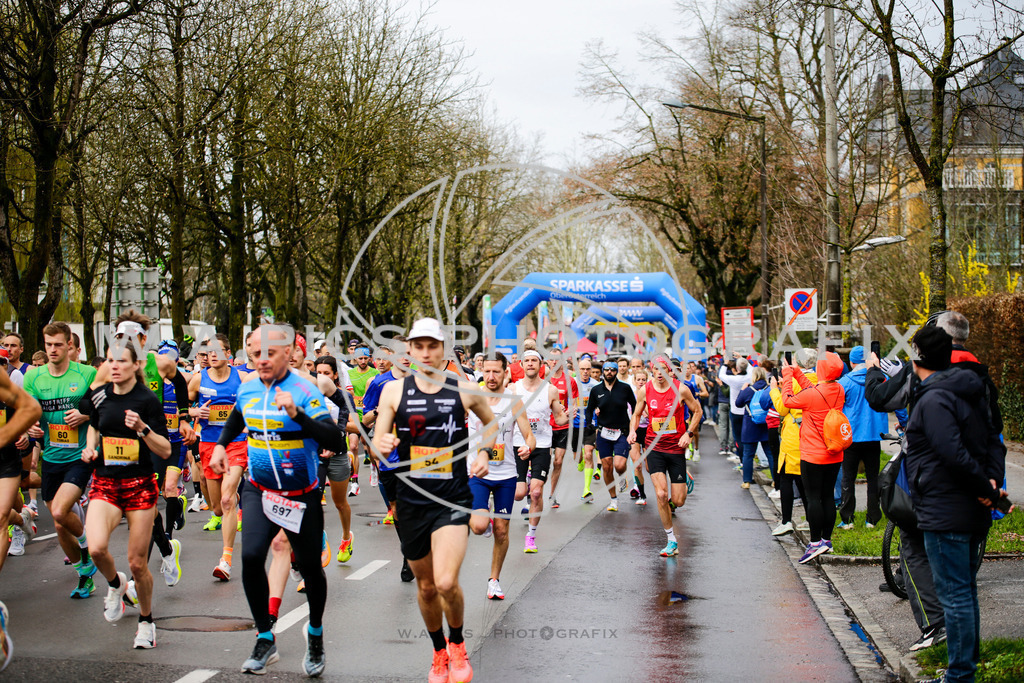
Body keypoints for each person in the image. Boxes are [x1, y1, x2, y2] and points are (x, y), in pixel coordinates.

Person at [211, 324, 343, 676]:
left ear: (287, 353)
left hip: (301, 494)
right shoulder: (248, 386)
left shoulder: (304, 389)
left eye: (269, 353)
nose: (262, 360)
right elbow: (238, 416)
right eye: (255, 354)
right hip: (260, 489)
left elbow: (336, 439)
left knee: (312, 569)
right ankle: (265, 636)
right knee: (251, 556)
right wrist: (222, 445)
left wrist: (299, 415)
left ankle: (314, 632)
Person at [372, 317, 498, 683]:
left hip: (453, 498)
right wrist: (384, 443)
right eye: (419, 346)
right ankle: (438, 650)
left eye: (433, 346)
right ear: (408, 351)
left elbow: (490, 424)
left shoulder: (462, 387)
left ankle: (457, 643)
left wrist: (486, 454)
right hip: (412, 500)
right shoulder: (394, 392)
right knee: (425, 587)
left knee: (445, 582)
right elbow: (381, 436)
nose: (426, 353)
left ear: (443, 350)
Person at [903, 326, 1006, 683]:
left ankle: (960, 673)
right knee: (965, 592)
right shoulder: (974, 390)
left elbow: (952, 454)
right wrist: (991, 482)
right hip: (968, 504)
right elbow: (995, 439)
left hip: (945, 506)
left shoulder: (932, 399)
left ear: (918, 357)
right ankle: (965, 667)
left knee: (955, 595)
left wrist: (986, 488)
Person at [82, 341, 171, 649]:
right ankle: (116, 584)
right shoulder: (100, 396)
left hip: (139, 486)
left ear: (136, 366)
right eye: (110, 360)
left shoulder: (147, 400)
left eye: (121, 360)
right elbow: (95, 426)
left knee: (137, 563)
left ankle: (146, 621)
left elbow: (166, 448)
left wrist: (143, 429)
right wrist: (90, 446)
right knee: (96, 549)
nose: (115, 365)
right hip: (105, 483)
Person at [23, 322, 99, 597]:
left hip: (80, 454)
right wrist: (30, 427)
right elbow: (30, 411)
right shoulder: (35, 377)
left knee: (58, 511)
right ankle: (84, 572)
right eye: (48, 344)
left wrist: (86, 416)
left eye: (58, 344)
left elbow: (107, 407)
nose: (52, 349)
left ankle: (86, 545)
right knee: (58, 522)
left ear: (69, 345)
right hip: (51, 454)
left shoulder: (88, 374)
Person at [468, 352, 535, 600]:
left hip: (506, 473)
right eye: (487, 371)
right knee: (478, 526)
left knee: (502, 531)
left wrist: (529, 446)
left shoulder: (513, 401)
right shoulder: (473, 397)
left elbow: (529, 435)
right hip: (477, 471)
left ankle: (494, 580)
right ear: (481, 370)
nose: (491, 376)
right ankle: (480, 515)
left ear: (506, 372)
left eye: (496, 371)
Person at [188, 333, 247, 580]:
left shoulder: (241, 378)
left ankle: (226, 559)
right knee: (217, 508)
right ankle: (238, 501)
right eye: (208, 351)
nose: (212, 355)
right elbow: (183, 406)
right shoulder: (197, 380)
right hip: (209, 445)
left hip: (236, 445)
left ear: (228, 354)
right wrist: (193, 411)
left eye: (217, 350)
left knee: (226, 500)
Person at [628, 358, 702, 556]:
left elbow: (697, 411)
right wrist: (632, 432)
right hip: (655, 448)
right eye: (655, 369)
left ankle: (683, 481)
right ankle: (671, 540)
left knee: (678, 501)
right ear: (652, 371)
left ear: (670, 371)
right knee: (661, 495)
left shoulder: (681, 389)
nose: (659, 373)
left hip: (676, 448)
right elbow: (636, 414)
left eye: (663, 369)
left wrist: (689, 433)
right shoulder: (645, 390)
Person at [780, 351, 845, 563]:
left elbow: (787, 401)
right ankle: (826, 540)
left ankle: (815, 543)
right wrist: (797, 371)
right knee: (827, 496)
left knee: (813, 497)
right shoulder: (839, 389)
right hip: (834, 452)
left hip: (812, 454)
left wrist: (787, 376)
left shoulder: (812, 395)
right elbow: (812, 389)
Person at [509, 350, 570, 553]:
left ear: (541, 365)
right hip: (518, 443)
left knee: (535, 492)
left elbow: (559, 418)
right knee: (519, 494)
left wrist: (567, 417)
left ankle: (531, 536)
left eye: (534, 361)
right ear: (522, 365)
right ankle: (521, 481)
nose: (530, 364)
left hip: (542, 444)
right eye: (526, 361)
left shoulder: (550, 390)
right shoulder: (513, 388)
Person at [835, 346, 888, 530]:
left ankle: (847, 518)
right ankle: (872, 518)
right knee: (873, 477)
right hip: (874, 435)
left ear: (851, 362)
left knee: (847, 477)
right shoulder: (880, 379)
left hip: (851, 436)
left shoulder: (844, 382)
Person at [767, 350, 814, 536]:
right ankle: (811, 519)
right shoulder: (821, 380)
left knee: (787, 477)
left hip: (794, 436)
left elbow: (783, 408)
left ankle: (786, 520)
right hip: (814, 435)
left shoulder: (794, 382)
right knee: (806, 479)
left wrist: (774, 389)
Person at [586, 360, 637, 511]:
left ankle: (622, 476)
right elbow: (589, 409)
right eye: (606, 370)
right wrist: (590, 425)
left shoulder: (625, 388)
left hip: (622, 431)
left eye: (612, 370)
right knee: (607, 467)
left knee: (619, 465)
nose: (609, 372)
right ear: (603, 372)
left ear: (616, 372)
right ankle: (613, 500)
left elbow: (635, 406)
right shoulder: (596, 390)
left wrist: (634, 424)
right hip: (604, 432)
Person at [544, 347, 578, 509]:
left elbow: (575, 404)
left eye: (558, 359)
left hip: (562, 426)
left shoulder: (570, 381)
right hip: (544, 426)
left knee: (558, 462)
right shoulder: (542, 378)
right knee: (543, 462)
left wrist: (572, 410)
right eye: (552, 359)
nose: (554, 362)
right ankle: (535, 493)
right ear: (548, 361)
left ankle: (552, 495)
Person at [734, 367, 772, 490]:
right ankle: (775, 481)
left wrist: (742, 390)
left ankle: (747, 481)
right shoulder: (769, 388)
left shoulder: (749, 390)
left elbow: (738, 403)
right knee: (770, 453)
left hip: (750, 424)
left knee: (748, 454)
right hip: (767, 423)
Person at [719, 355, 753, 456]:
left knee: (737, 436)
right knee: (746, 436)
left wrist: (725, 364)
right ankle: (745, 456)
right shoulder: (749, 377)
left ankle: (740, 456)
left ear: (737, 368)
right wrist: (743, 359)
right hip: (746, 411)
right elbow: (751, 369)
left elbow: (721, 375)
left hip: (735, 411)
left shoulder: (733, 380)